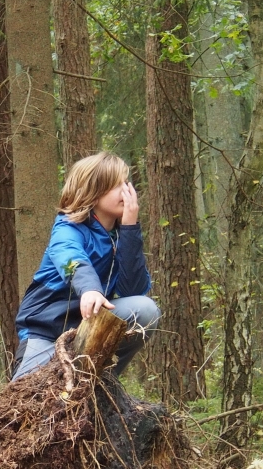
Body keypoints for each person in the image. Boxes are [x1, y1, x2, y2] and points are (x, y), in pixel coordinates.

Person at [12, 152, 160, 381]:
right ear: (94, 191)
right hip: (46, 329)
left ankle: (99, 384)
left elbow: (133, 291)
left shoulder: (121, 235)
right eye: (117, 184)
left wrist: (130, 228)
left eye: (126, 182)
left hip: (91, 325)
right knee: (27, 399)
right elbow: (71, 258)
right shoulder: (67, 227)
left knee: (145, 310)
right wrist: (90, 288)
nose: (127, 189)